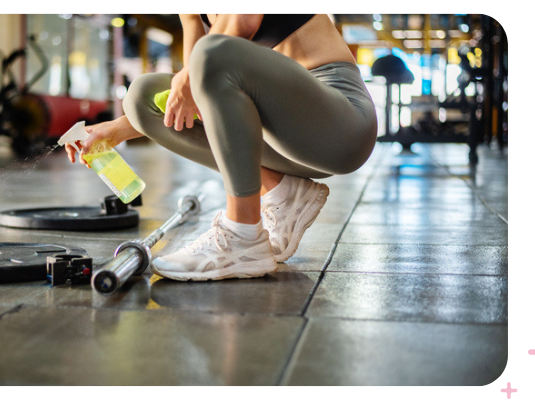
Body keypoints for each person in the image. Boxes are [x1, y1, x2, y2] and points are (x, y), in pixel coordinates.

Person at [65, 14, 378, 281]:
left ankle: (242, 234)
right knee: (142, 96)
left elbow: (241, 22)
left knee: (212, 51)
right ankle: (282, 191)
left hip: (340, 126)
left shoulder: (217, 48)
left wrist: (197, 69)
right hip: (287, 141)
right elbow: (194, 95)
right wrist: (115, 129)